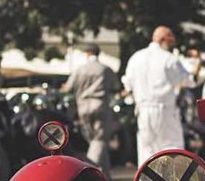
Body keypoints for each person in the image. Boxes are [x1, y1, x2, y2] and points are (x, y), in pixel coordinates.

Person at [123, 26, 192, 164]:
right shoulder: (169, 59)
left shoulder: (136, 57)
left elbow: (127, 83)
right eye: (170, 40)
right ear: (162, 39)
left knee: (146, 150)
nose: (172, 44)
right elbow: (187, 80)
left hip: (143, 109)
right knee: (172, 147)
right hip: (164, 109)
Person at [63, 43, 121, 173]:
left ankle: (105, 174)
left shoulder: (79, 69)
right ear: (98, 54)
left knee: (95, 141)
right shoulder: (105, 69)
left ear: (87, 54)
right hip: (100, 105)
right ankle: (88, 170)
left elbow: (69, 88)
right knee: (99, 139)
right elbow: (115, 86)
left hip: (83, 106)